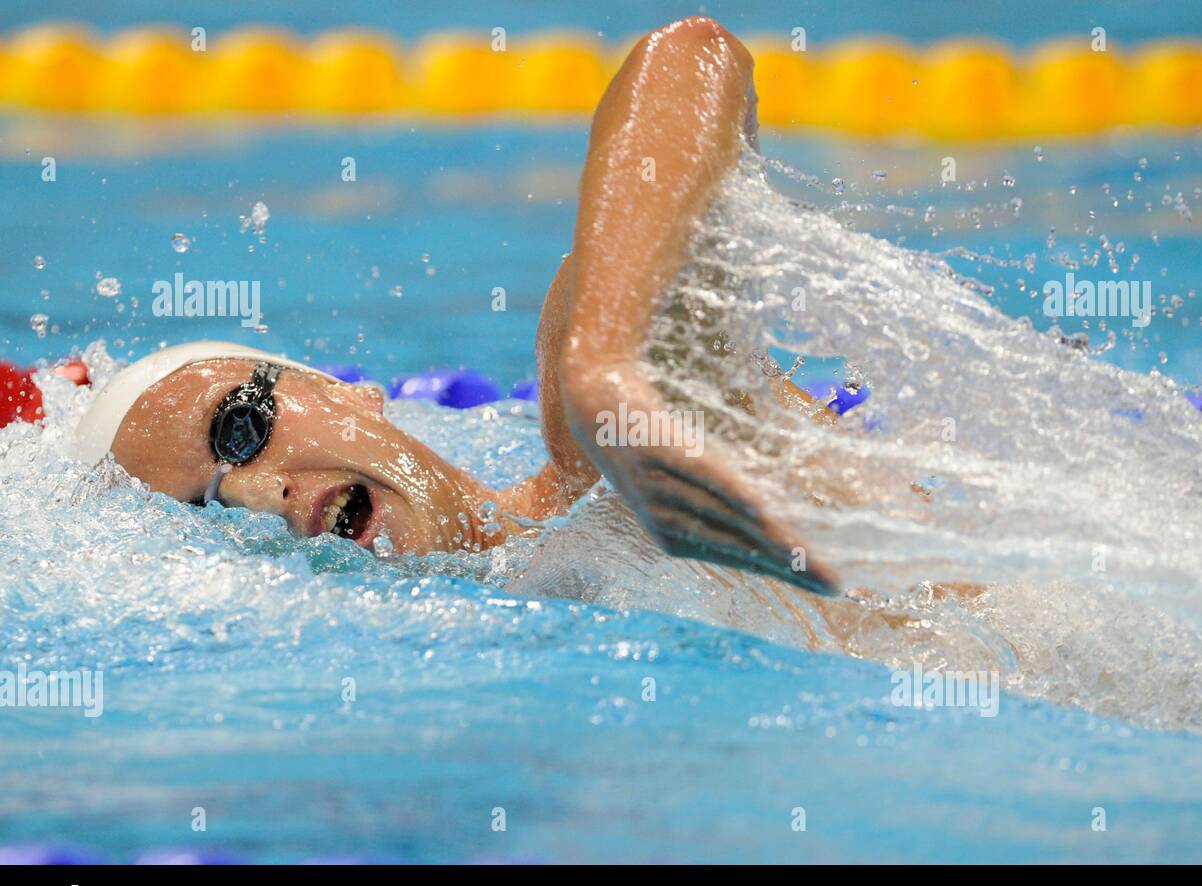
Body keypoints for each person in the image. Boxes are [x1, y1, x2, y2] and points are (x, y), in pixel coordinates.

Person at [73, 17, 841, 596]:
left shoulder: (596, 462)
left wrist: (603, 369)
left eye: (239, 427)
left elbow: (692, 55)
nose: (250, 495)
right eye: (205, 512)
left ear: (346, 391)